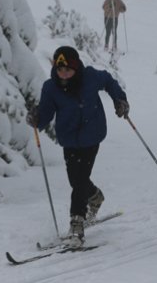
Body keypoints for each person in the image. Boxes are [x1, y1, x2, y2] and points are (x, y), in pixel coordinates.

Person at [27, 46, 130, 247]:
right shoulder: (51, 87)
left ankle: (77, 223)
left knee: (80, 179)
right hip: (69, 139)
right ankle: (95, 197)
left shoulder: (90, 77)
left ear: (76, 67)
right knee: (75, 179)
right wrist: (37, 118)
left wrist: (120, 99)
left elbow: (108, 81)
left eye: (68, 69)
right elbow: (46, 112)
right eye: (60, 69)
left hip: (92, 136)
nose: (63, 73)